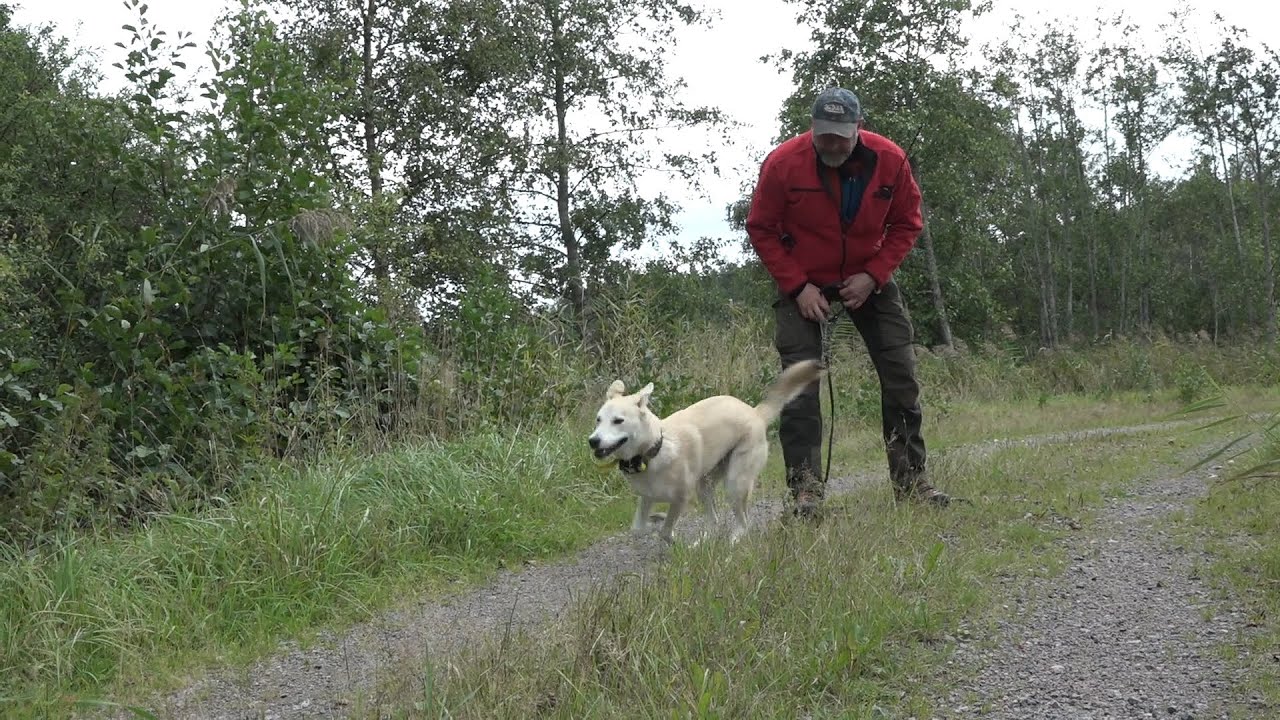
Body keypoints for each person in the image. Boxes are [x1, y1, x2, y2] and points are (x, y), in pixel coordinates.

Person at [744, 86, 953, 518]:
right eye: (824, 135)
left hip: (867, 278)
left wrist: (873, 275)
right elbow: (760, 227)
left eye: (841, 135)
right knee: (799, 385)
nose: (832, 144)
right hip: (804, 281)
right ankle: (805, 492)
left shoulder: (891, 160)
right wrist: (798, 287)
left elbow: (907, 223)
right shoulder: (783, 163)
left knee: (901, 376)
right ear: (813, 129)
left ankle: (912, 484)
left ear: (859, 128)